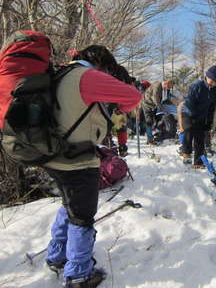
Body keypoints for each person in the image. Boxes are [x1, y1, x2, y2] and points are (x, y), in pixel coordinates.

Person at [43, 45, 142, 287]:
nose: (108, 73)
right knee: (82, 216)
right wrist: (119, 109)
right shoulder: (88, 76)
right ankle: (78, 273)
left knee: (70, 205)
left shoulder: (62, 73)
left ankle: (57, 255)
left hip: (54, 154)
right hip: (78, 159)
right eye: (108, 68)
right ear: (101, 63)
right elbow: (133, 96)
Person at [178, 65, 216, 169]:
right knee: (189, 130)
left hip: (201, 116)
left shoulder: (215, 92)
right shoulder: (197, 85)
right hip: (188, 113)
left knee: (200, 138)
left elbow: (212, 108)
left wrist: (208, 122)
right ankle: (186, 153)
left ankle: (197, 162)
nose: (214, 83)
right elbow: (190, 103)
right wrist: (194, 116)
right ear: (207, 76)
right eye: (212, 80)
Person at [141, 79, 174, 145]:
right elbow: (156, 99)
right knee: (149, 121)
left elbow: (166, 99)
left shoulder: (165, 88)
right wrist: (163, 109)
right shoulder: (157, 86)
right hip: (147, 104)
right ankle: (150, 139)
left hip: (155, 106)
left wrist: (172, 105)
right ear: (166, 84)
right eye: (168, 87)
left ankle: (157, 134)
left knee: (158, 120)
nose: (168, 89)